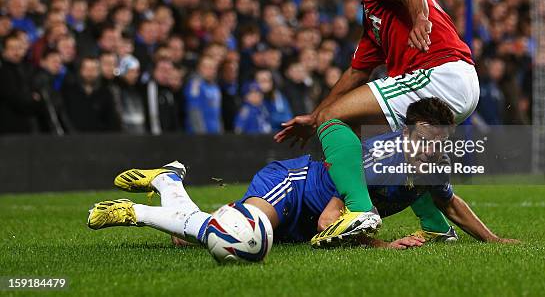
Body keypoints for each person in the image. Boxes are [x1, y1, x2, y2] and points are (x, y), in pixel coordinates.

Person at [274, 0, 478, 246]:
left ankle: (358, 211)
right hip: (450, 80)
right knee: (375, 145)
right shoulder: (373, 15)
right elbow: (357, 71)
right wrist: (314, 117)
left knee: (334, 120)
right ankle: (436, 225)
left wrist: (421, 18)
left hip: (437, 74)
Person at [87, 98, 518, 250]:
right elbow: (330, 221)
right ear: (406, 134)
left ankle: (168, 181)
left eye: (440, 142)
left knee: (193, 237)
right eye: (425, 139)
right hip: (291, 187)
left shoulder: (430, 165)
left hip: (302, 223)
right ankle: (137, 209)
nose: (432, 149)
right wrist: (385, 245)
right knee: (232, 238)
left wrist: (494, 240)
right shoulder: (380, 161)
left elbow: (452, 204)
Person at [62, 56, 121, 132]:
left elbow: (113, 121)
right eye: (86, 69)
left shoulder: (107, 93)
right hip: (72, 140)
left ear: (98, 71)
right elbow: (64, 118)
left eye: (93, 69)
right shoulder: (68, 92)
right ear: (80, 70)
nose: (90, 73)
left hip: (101, 140)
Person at [0, 31, 42, 133]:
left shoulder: (28, 68)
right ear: (4, 51)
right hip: (8, 124)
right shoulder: (3, 72)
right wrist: (32, 100)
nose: (16, 52)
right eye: (12, 49)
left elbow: (38, 93)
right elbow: (13, 96)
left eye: (19, 48)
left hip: (29, 123)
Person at [184, 55, 222, 134]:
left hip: (215, 134)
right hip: (200, 135)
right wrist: (201, 134)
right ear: (199, 68)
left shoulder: (215, 87)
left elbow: (217, 113)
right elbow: (194, 110)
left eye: (212, 68)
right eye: (206, 67)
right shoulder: (195, 85)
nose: (210, 70)